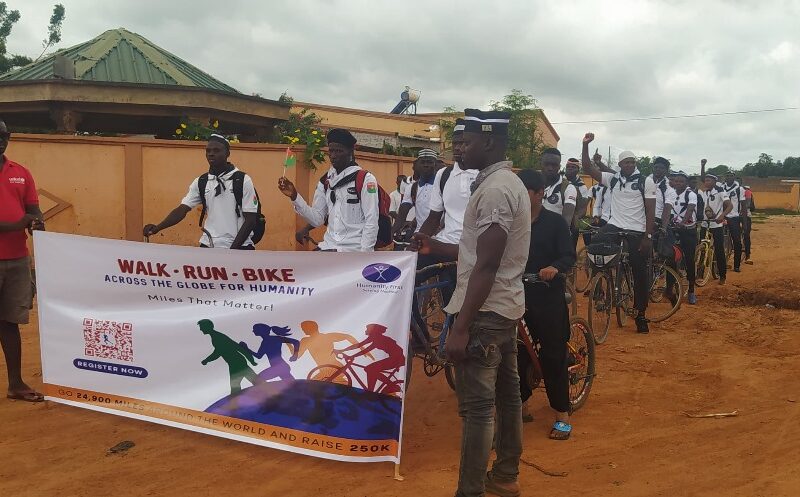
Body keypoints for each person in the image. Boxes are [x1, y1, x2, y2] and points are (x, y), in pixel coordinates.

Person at [415, 108, 530, 497]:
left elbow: (488, 262)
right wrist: (437, 245)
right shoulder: (501, 183)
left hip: (484, 311)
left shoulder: (495, 189)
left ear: (491, 143)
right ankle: (505, 475)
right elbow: (476, 252)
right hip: (504, 306)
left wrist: (461, 325)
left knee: (478, 409)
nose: (460, 148)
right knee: (508, 394)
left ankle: (471, 491)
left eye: (469, 141)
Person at [517, 169, 576, 440]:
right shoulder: (512, 223)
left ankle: (562, 414)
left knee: (553, 355)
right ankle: (521, 405)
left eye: (525, 191)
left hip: (548, 295)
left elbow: (568, 255)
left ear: (539, 194)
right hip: (518, 296)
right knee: (517, 354)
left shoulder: (555, 223)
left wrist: (554, 267)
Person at [582, 133, 656, 334]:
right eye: (626, 162)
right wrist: (585, 145)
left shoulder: (645, 181)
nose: (630, 165)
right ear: (620, 164)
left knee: (639, 270)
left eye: (633, 162)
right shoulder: (612, 179)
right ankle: (601, 286)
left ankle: (641, 314)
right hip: (614, 225)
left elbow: (651, 209)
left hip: (637, 229)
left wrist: (648, 236)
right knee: (595, 244)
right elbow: (588, 168)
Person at [144, 135, 259, 249]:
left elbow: (250, 220)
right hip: (209, 245)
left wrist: (231, 252)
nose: (211, 154)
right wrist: (157, 228)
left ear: (227, 154)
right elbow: (182, 210)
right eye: (208, 151)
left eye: (216, 150)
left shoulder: (242, 180)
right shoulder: (201, 181)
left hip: (239, 247)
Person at [0, 120, 45, 402]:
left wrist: (37, 223)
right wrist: (18, 224)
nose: (0, 140)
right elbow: (19, 219)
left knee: (9, 322)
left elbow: (33, 210)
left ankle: (15, 384)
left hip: (17, 260)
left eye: (3, 135)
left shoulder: (21, 173)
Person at [278, 128, 379, 252]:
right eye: (331, 151)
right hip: (328, 248)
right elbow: (317, 219)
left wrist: (363, 258)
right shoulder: (325, 181)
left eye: (338, 151)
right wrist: (294, 196)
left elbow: (372, 221)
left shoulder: (366, 180)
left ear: (350, 152)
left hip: (354, 251)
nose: (333, 156)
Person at [412, 119, 477, 304]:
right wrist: (417, 240)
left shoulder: (485, 175)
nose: (458, 148)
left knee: (459, 307)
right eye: (455, 143)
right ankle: (417, 332)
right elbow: (434, 217)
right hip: (444, 245)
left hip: (472, 252)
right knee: (403, 279)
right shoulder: (444, 175)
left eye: (463, 143)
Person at [198, 319, 263, 395]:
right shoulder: (216, 336)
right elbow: (234, 347)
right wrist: (251, 360)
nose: (200, 329)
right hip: (235, 362)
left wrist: (207, 360)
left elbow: (219, 352)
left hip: (236, 363)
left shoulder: (217, 337)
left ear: (207, 327)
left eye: (202, 327)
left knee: (236, 386)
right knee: (248, 382)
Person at [337, 323, 404, 394]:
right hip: (396, 357)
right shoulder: (374, 338)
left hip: (397, 358)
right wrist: (342, 350)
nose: (366, 330)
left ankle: (390, 386)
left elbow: (365, 350)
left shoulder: (378, 339)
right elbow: (359, 345)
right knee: (370, 369)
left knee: (369, 369)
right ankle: (371, 391)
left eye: (368, 329)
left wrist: (352, 356)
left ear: (373, 331)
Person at [664, 171, 699, 304]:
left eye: (681, 181)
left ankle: (691, 290)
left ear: (686, 183)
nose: (678, 183)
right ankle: (669, 289)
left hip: (688, 230)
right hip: (673, 230)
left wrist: (683, 223)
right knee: (670, 259)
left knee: (689, 260)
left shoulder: (691, 194)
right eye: (676, 181)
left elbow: (690, 209)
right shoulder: (670, 193)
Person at [698, 169, 732, 285]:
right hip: (704, 223)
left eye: (709, 180)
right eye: (705, 180)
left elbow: (729, 206)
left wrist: (722, 215)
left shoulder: (720, 191)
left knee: (719, 250)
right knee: (701, 249)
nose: (706, 182)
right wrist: (702, 166)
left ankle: (722, 276)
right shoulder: (704, 192)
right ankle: (699, 273)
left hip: (716, 224)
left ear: (714, 181)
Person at [392, 149, 438, 236]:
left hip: (440, 236)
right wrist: (393, 231)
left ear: (435, 164)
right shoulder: (412, 188)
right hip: (419, 236)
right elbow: (402, 213)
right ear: (418, 164)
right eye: (422, 162)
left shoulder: (442, 186)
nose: (426, 165)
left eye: (429, 162)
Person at [541, 148, 577, 225]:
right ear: (541, 163)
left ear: (559, 166)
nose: (550, 168)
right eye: (547, 164)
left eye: (554, 165)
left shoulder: (568, 188)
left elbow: (566, 220)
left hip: (554, 234)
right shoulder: (531, 183)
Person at [722, 169, 747, 272]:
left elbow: (744, 206)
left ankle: (736, 265)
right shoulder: (721, 188)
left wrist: (744, 222)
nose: (729, 177)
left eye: (731, 175)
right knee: (718, 241)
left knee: (737, 241)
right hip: (722, 217)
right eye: (727, 175)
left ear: (734, 177)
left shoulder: (739, 189)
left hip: (734, 217)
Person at [564, 157, 590, 248]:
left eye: (573, 167)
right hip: (556, 216)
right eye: (568, 167)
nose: (570, 168)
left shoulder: (582, 187)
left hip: (572, 221)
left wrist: (573, 219)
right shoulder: (559, 181)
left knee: (570, 248)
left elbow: (583, 208)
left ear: (578, 170)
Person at [742, 184, 754, 264]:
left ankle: (747, 255)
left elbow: (748, 204)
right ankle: (747, 256)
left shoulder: (747, 192)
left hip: (745, 216)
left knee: (746, 235)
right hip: (736, 216)